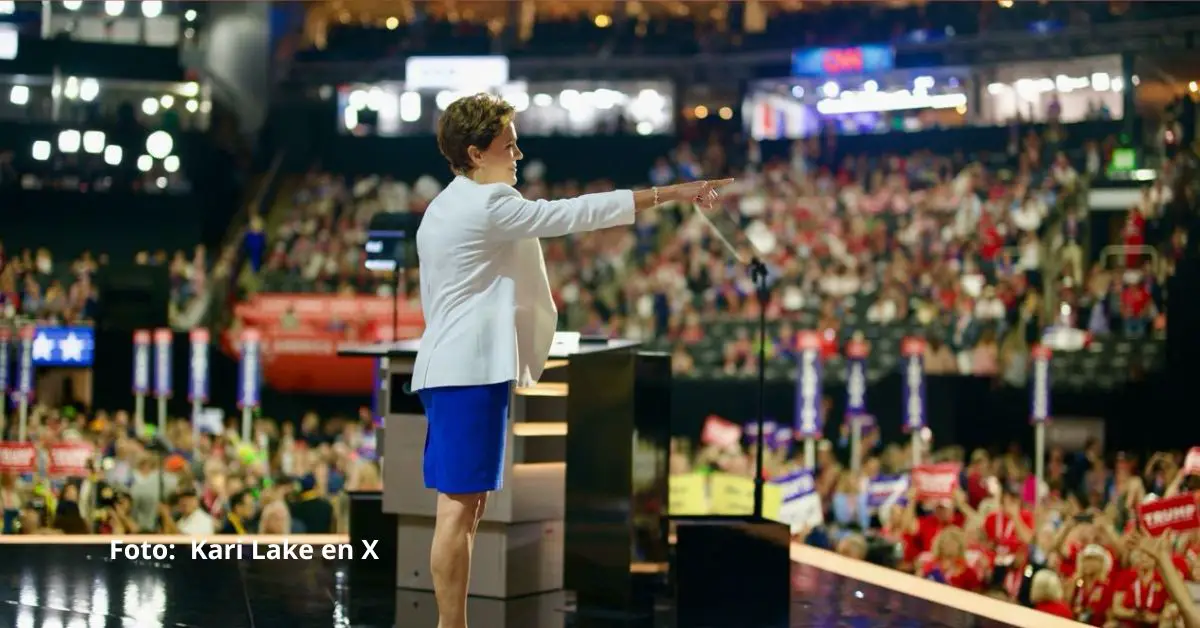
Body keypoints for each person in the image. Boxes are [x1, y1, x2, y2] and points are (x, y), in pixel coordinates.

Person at [412, 92, 732, 628]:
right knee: (457, 511)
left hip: (454, 371)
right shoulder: (486, 205)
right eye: (507, 144)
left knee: (465, 508)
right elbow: (577, 213)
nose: (517, 153)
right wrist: (673, 192)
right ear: (474, 153)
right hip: (466, 373)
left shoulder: (446, 204)